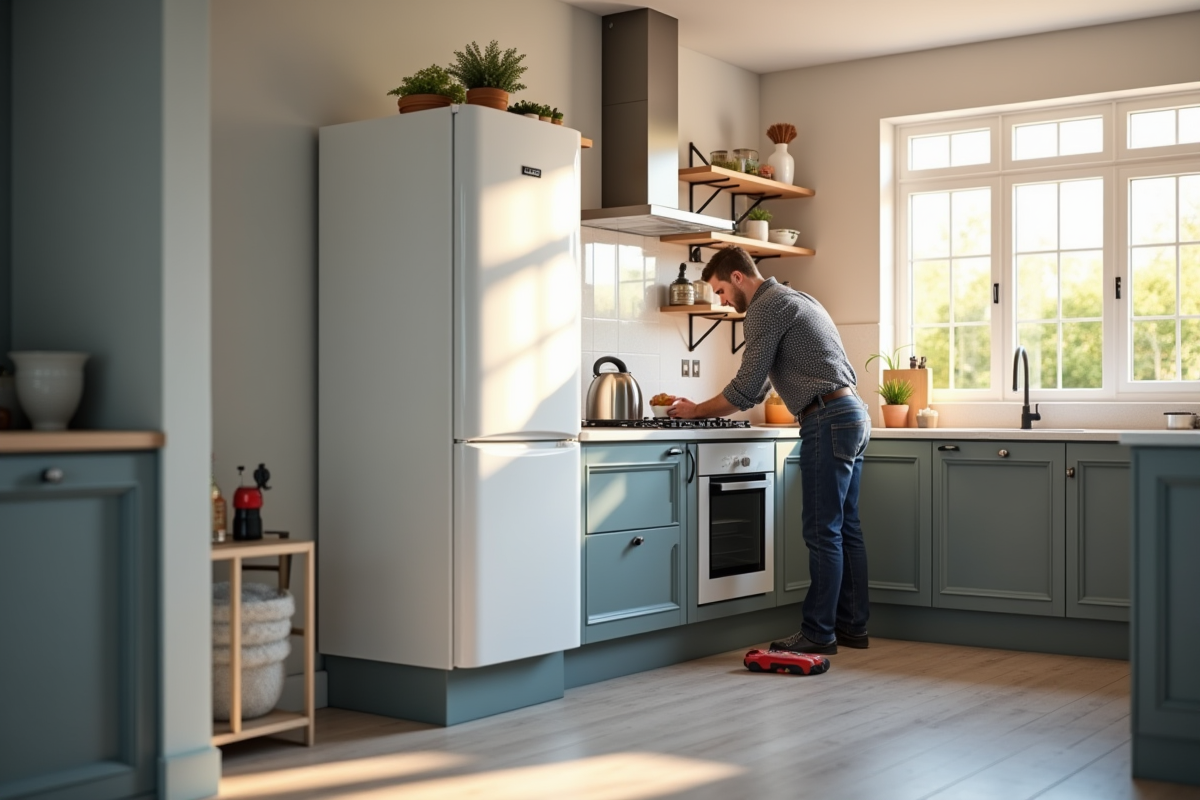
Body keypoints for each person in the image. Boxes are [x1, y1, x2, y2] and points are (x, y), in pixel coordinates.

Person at [668, 247, 870, 655]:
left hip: (827, 418)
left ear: (738, 277)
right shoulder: (794, 298)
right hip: (851, 414)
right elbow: (758, 386)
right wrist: (707, 406)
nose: (722, 300)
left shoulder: (764, 308)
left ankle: (819, 633)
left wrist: (695, 411)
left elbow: (744, 389)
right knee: (844, 528)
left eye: (721, 291)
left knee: (823, 531)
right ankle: (851, 626)